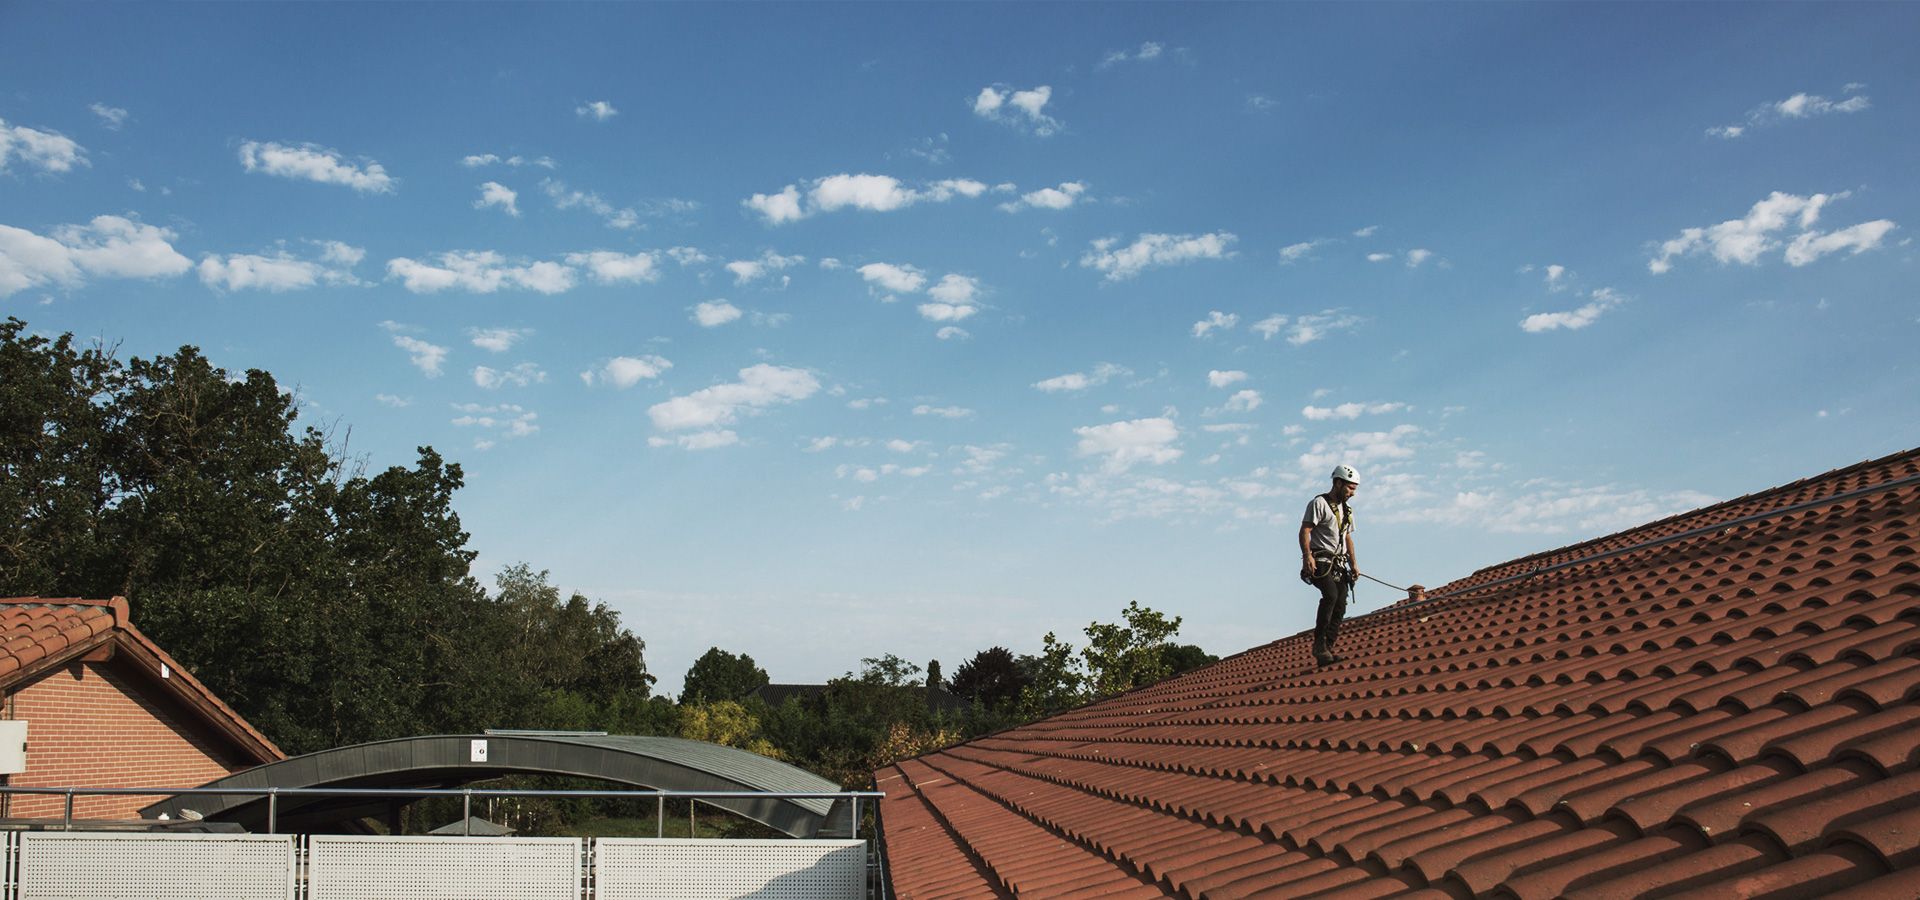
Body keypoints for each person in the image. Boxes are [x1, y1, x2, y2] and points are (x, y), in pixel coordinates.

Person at [1299, 465, 1361, 665]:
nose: (1352, 493)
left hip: (1339, 563)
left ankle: (1328, 647)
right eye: (1350, 488)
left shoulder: (1347, 510)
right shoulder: (1319, 503)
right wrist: (1307, 556)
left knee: (1341, 603)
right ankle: (1319, 645)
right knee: (1331, 596)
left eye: (1354, 489)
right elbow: (1305, 531)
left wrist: (1354, 564)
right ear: (1338, 482)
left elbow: (1348, 538)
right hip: (1321, 561)